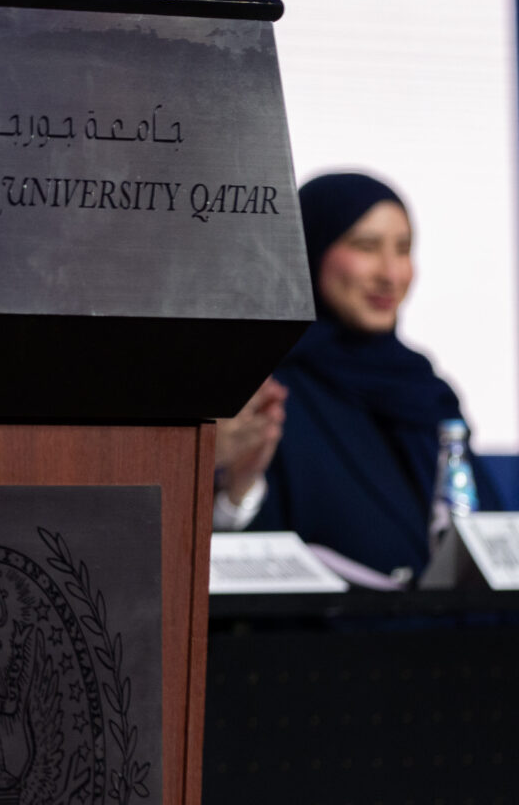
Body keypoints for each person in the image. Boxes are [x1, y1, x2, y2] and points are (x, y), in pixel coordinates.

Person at [210, 171, 499, 580]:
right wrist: (237, 487)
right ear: (309, 249)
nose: (390, 274)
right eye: (366, 246)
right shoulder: (265, 389)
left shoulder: (428, 394)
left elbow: (483, 542)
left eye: (403, 249)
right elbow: (239, 564)